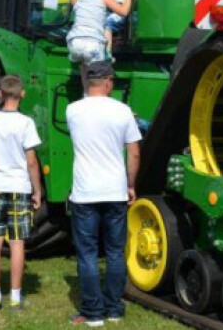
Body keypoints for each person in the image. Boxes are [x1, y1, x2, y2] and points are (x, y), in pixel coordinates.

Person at [67, 61, 141, 327]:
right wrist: (130, 184)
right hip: (115, 190)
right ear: (108, 81)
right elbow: (134, 153)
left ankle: (93, 312)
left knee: (87, 253)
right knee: (115, 252)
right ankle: (113, 309)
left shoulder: (72, 110)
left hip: (85, 192)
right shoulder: (123, 111)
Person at [0, 74, 42, 311]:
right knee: (16, 243)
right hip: (19, 188)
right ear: (22, 94)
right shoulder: (26, 123)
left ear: (0, 94)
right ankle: (15, 297)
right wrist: (37, 190)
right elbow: (31, 161)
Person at [66, 0, 132, 72]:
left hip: (74, 43)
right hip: (92, 44)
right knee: (98, 77)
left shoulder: (80, 1)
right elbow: (124, 11)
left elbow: (73, 0)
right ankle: (107, 53)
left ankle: (85, 83)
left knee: (84, 66)